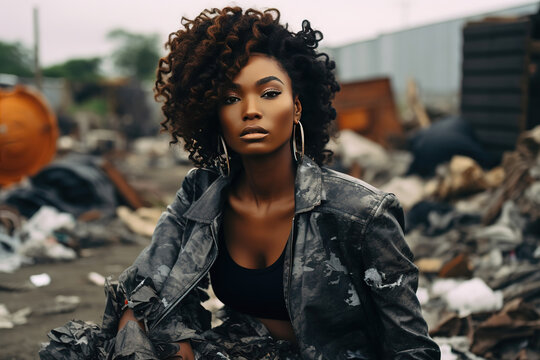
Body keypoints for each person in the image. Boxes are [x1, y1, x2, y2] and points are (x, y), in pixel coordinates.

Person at [40, 7, 440, 360]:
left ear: (297, 106)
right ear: (213, 114)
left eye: (269, 93)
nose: (251, 111)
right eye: (231, 99)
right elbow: (146, 284)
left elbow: (411, 347)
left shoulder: (361, 213)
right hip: (239, 349)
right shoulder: (202, 194)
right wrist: (161, 341)